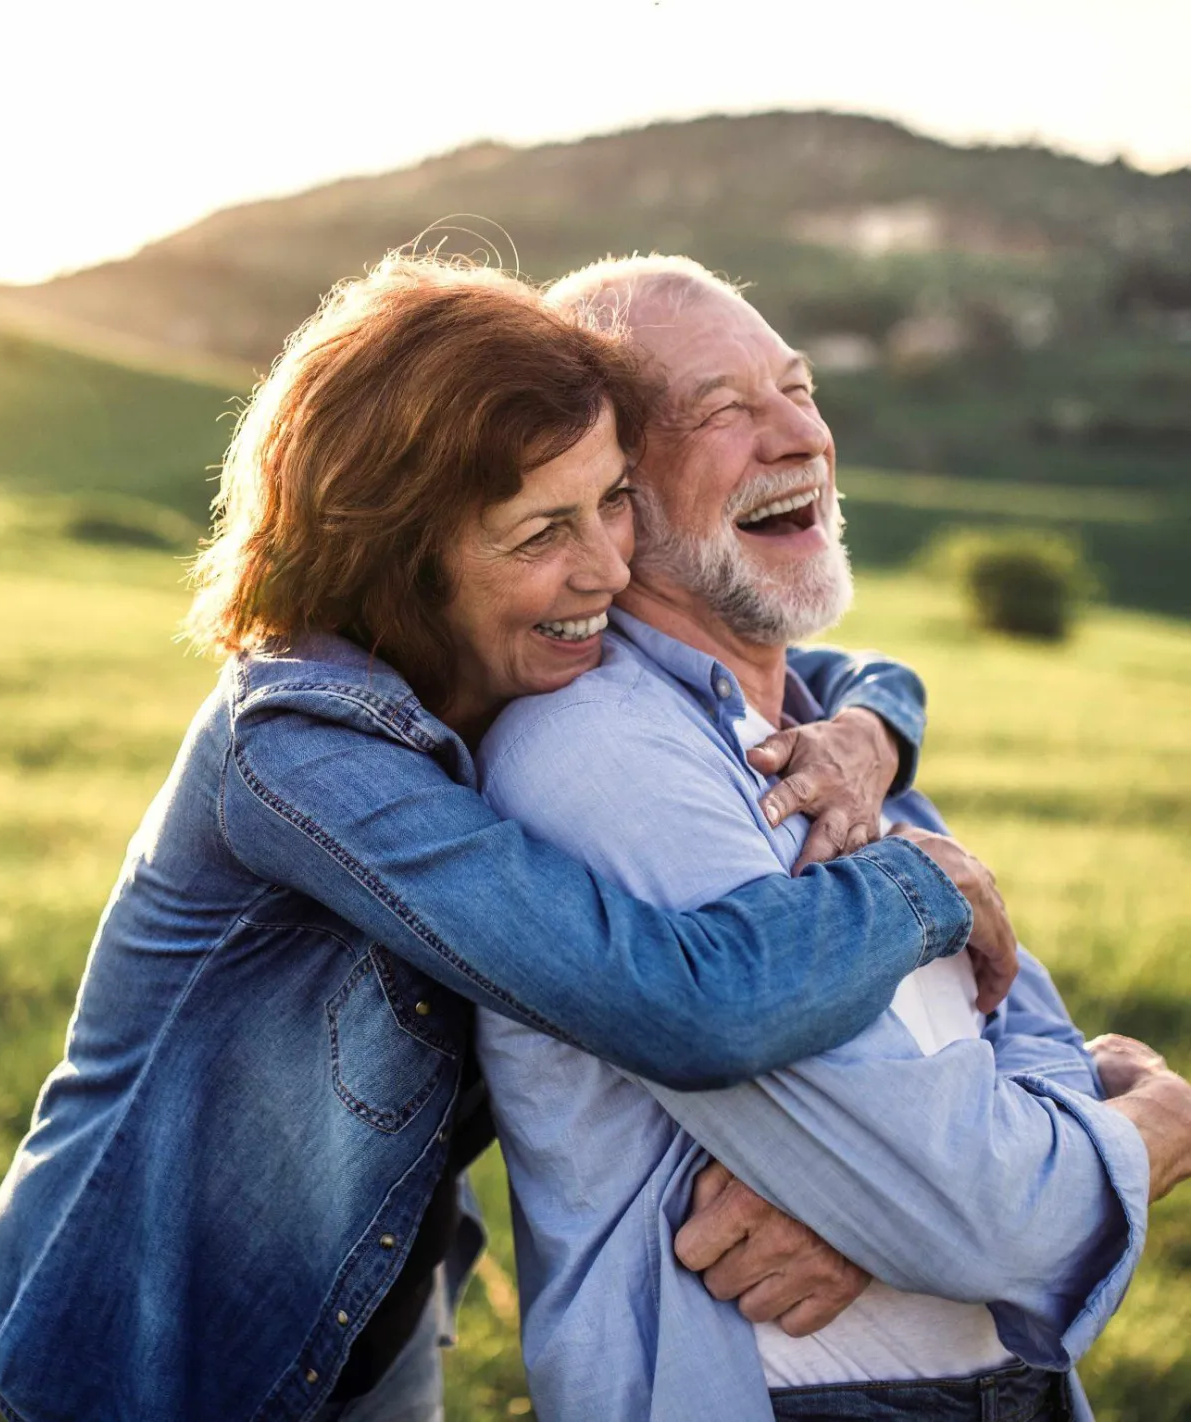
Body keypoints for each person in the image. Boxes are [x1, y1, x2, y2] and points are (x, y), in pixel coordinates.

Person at [0, 255, 1010, 1422]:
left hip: (370, 1317)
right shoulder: (299, 754)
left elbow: (816, 669)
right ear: (399, 553)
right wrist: (922, 881)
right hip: (155, 1351)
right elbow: (680, 1005)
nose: (610, 567)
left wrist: (874, 728)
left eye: (615, 498)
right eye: (541, 534)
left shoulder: (511, 658)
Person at [475, 255, 1191, 1421]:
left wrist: (889, 1211)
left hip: (1011, 1387)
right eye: (723, 411)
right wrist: (1155, 1122)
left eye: (797, 389)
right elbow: (980, 1217)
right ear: (614, 496)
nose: (796, 435)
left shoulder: (833, 741)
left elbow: (1029, 1034)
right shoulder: (599, 756)